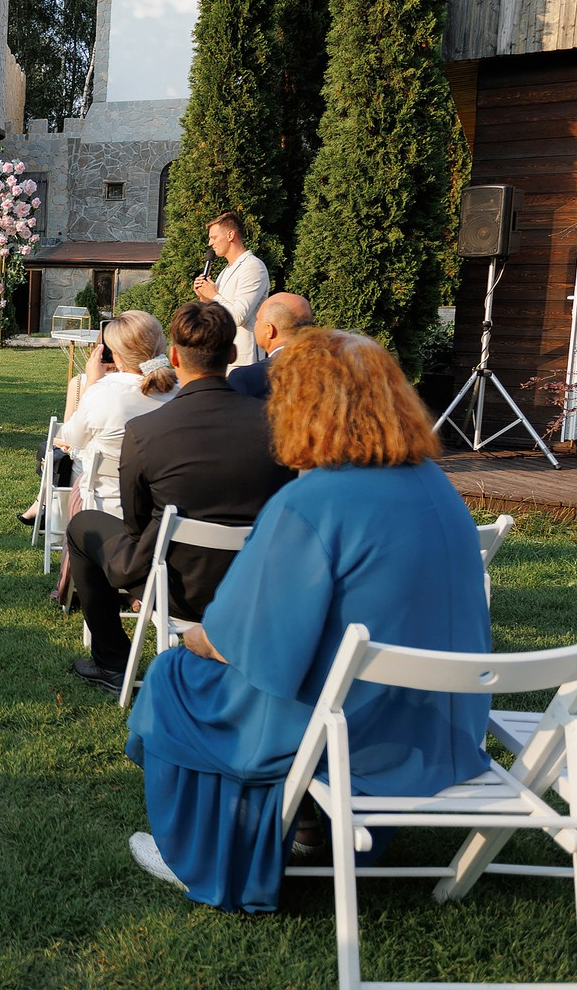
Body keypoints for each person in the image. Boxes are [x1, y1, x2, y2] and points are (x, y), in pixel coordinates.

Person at [124, 329, 493, 913]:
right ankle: (310, 826)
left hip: (352, 728)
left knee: (174, 679)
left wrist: (192, 638)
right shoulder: (436, 486)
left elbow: (234, 642)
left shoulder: (315, 501)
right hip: (437, 720)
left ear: (299, 407)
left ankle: (201, 857)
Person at [64, 302, 294, 693]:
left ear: (173, 355)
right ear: (234, 354)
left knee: (83, 526)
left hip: (173, 587)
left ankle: (113, 662)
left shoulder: (146, 431)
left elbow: (135, 524)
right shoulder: (278, 424)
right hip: (254, 584)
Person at [20, 311, 178, 525]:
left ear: (115, 355)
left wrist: (91, 385)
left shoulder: (102, 392)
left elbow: (71, 438)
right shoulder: (181, 393)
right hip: (163, 508)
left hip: (101, 505)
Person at [191, 212, 270, 370]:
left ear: (230, 235)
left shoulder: (253, 267)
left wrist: (214, 295)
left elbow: (239, 316)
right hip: (222, 358)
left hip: (244, 362)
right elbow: (217, 313)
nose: (210, 243)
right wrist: (205, 299)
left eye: (213, 237)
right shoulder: (225, 270)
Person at [227, 293, 313, 401]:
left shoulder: (247, 378)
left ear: (269, 330)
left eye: (257, 319)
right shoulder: (332, 366)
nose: (255, 324)